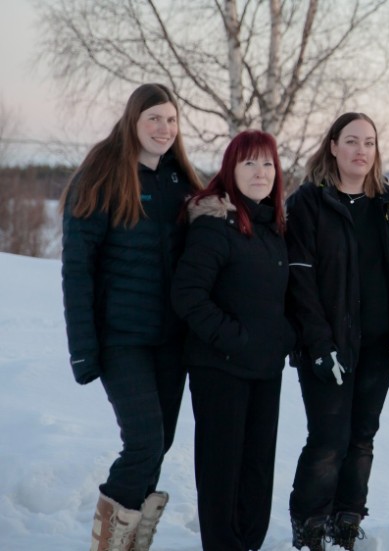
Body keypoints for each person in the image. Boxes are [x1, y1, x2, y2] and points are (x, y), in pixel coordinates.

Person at [61, 83, 202, 551]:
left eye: (171, 120)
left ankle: (133, 543)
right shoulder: (102, 177)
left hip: (171, 341)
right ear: (133, 122)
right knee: (143, 442)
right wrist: (84, 350)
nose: (164, 128)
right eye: (154, 119)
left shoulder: (181, 183)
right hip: (121, 339)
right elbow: (78, 269)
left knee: (157, 447)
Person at [286, 112, 389, 551]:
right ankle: (310, 520)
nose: (361, 150)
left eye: (369, 142)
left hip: (379, 346)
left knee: (363, 435)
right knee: (328, 438)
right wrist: (319, 343)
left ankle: (348, 516)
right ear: (333, 146)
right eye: (351, 141)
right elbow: (300, 280)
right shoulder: (309, 202)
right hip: (328, 345)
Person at [170, 130, 293, 551]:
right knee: (223, 471)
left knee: (258, 470)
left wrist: (282, 337)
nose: (260, 172)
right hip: (220, 369)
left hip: (264, 368)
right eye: (249, 163)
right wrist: (234, 338)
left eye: (267, 164)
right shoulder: (214, 223)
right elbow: (187, 294)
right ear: (230, 170)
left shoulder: (272, 227)